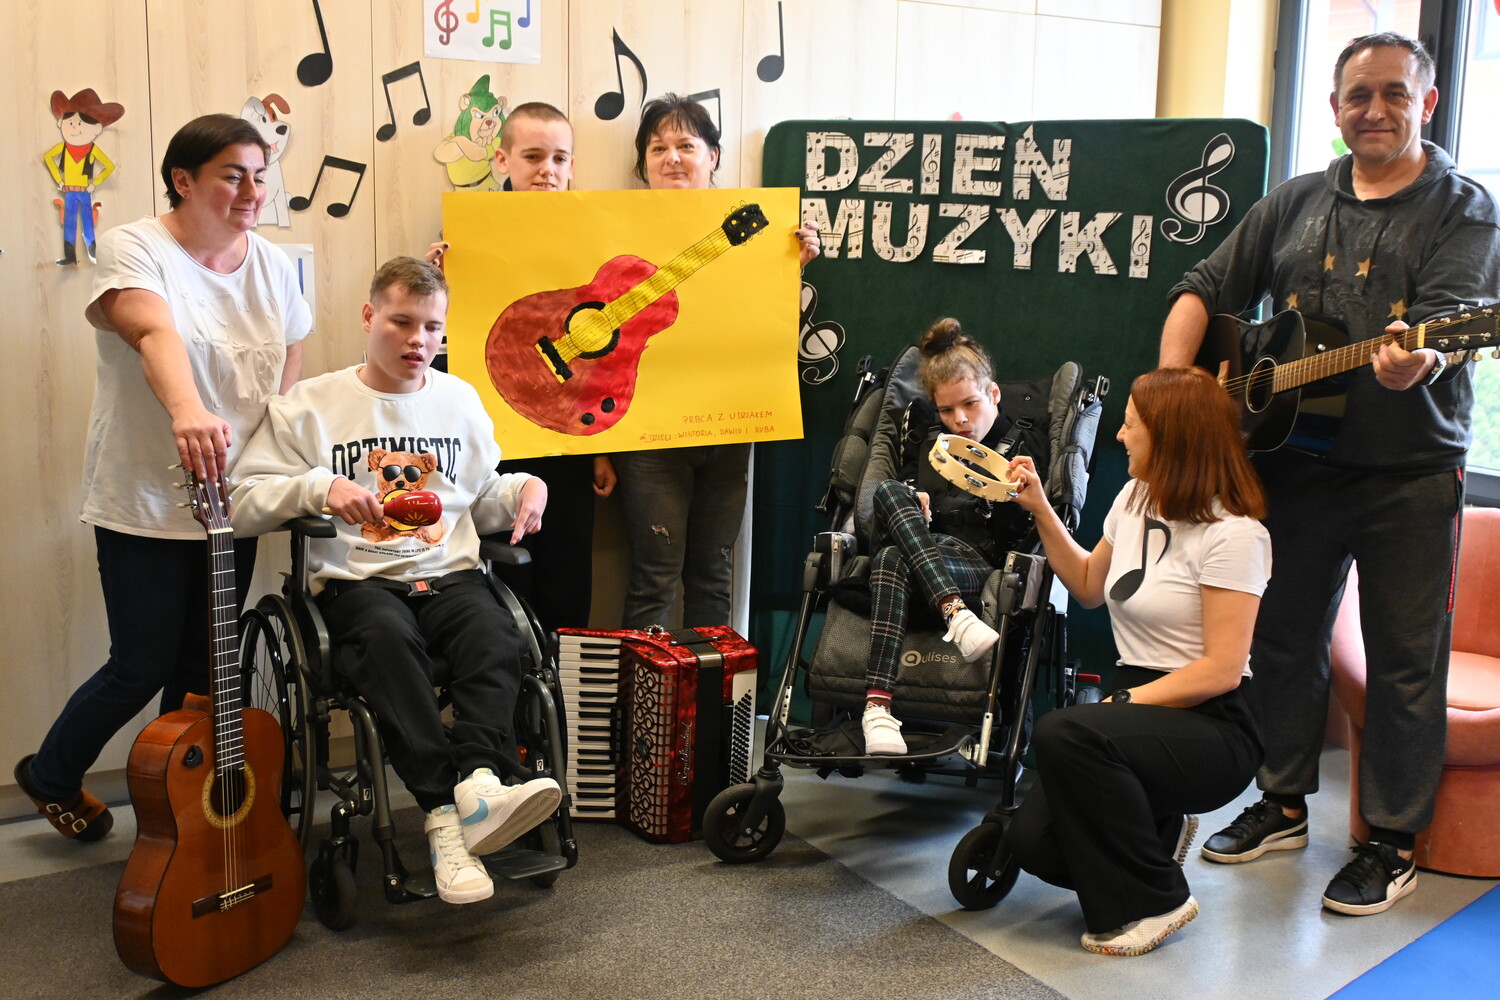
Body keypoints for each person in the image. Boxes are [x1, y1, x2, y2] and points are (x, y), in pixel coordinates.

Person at [1159, 32, 1500, 916]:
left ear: (1427, 103)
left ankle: (1391, 840)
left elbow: (1451, 324)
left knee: (1403, 661)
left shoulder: (1464, 208)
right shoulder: (1296, 201)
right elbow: (1202, 284)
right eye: (1359, 95)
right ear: (1335, 107)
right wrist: (1172, 388)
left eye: (1395, 94)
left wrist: (1417, 360)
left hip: (1410, 474)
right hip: (1292, 465)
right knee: (1282, 639)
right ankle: (1280, 803)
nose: (1375, 110)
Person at [13, 114, 313, 842]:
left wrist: (276, 458)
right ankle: (51, 773)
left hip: (232, 499)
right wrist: (188, 410)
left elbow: (290, 357)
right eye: (233, 175)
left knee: (205, 672)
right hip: (144, 497)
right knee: (141, 663)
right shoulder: (135, 247)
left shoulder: (273, 265)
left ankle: (177, 805)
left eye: (260, 175)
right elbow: (152, 330)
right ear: (183, 180)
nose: (253, 191)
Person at [230, 257, 561, 905]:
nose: (419, 340)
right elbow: (242, 502)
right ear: (368, 316)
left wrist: (527, 488)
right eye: (402, 322)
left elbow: (481, 495)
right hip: (360, 586)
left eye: (432, 327)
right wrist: (321, 488)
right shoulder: (310, 406)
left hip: (450, 577)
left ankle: (480, 784)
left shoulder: (458, 399)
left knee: (496, 635)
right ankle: (442, 814)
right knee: (386, 642)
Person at [1004, 366, 1271, 956]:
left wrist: (1123, 702)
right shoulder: (1134, 497)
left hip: (1214, 722)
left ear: (1171, 437)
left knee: (1065, 732)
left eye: (1131, 425)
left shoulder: (1236, 535)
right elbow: (1087, 585)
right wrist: (1040, 507)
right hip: (1136, 713)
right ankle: (1153, 835)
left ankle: (1156, 900)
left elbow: (1222, 670)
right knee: (1035, 844)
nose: (1120, 436)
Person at [612, 93, 821, 629]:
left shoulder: (755, 231)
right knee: (654, 577)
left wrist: (789, 267)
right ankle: (647, 688)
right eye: (658, 148)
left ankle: (710, 684)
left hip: (727, 426)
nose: (672, 158)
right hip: (645, 428)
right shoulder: (611, 228)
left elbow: (759, 326)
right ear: (643, 164)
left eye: (686, 145)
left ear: (713, 156)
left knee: (712, 574)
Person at [427, 101, 617, 630]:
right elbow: (436, 339)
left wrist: (601, 449)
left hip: (568, 436)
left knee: (568, 573)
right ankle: (508, 677)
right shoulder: (469, 236)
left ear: (573, 165)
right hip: (496, 436)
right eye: (533, 156)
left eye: (559, 158)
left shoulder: (591, 233)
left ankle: (561, 680)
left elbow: (605, 352)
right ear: (502, 160)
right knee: (505, 574)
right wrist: (437, 277)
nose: (547, 170)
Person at [858, 319, 1045, 755]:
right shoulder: (925, 437)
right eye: (946, 411)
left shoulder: (1025, 443)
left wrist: (1014, 494)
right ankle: (955, 615)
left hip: (974, 560)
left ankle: (877, 708)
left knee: (890, 561)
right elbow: (900, 489)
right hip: (923, 541)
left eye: (970, 404)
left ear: (993, 394)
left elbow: (1025, 532)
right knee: (888, 492)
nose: (959, 419)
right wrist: (915, 498)